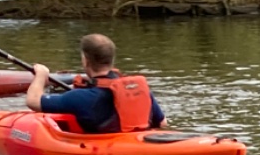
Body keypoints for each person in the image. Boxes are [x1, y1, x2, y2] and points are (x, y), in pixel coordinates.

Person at [25, 34, 166, 134]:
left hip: (112, 151)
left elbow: (33, 101)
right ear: (111, 59)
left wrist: (41, 75)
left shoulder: (80, 97)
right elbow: (162, 123)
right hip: (139, 142)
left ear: (85, 60)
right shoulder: (138, 90)